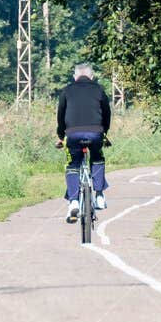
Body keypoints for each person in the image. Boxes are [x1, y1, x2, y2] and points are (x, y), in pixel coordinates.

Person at [55, 63, 111, 222]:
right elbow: (107, 113)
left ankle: (73, 201)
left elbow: (61, 115)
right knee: (97, 157)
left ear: (75, 77)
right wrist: (104, 133)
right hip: (95, 133)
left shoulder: (67, 90)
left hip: (72, 134)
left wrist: (61, 135)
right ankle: (99, 195)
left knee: (72, 164)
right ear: (92, 77)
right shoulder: (99, 89)